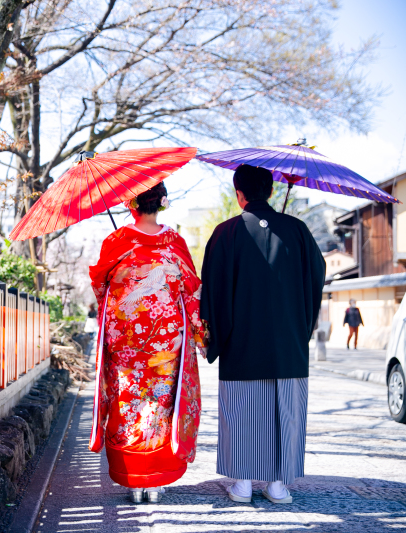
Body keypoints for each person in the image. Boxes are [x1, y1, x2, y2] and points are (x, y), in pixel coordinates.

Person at [200, 164, 325, 505]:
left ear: (239, 194)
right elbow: (316, 278)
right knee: (285, 412)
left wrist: (215, 337)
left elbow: (212, 288)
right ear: (270, 192)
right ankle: (278, 484)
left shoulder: (226, 233)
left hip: (242, 342)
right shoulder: (298, 231)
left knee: (243, 410)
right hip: (288, 342)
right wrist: (301, 328)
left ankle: (241, 483)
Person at [89, 182, 207, 503]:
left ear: (131, 204)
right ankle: (155, 480)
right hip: (166, 342)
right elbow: (191, 293)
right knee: (160, 405)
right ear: (162, 203)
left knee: (127, 404)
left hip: (125, 341)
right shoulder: (175, 242)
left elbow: (101, 288)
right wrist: (202, 334)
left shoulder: (116, 241)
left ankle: (133, 479)